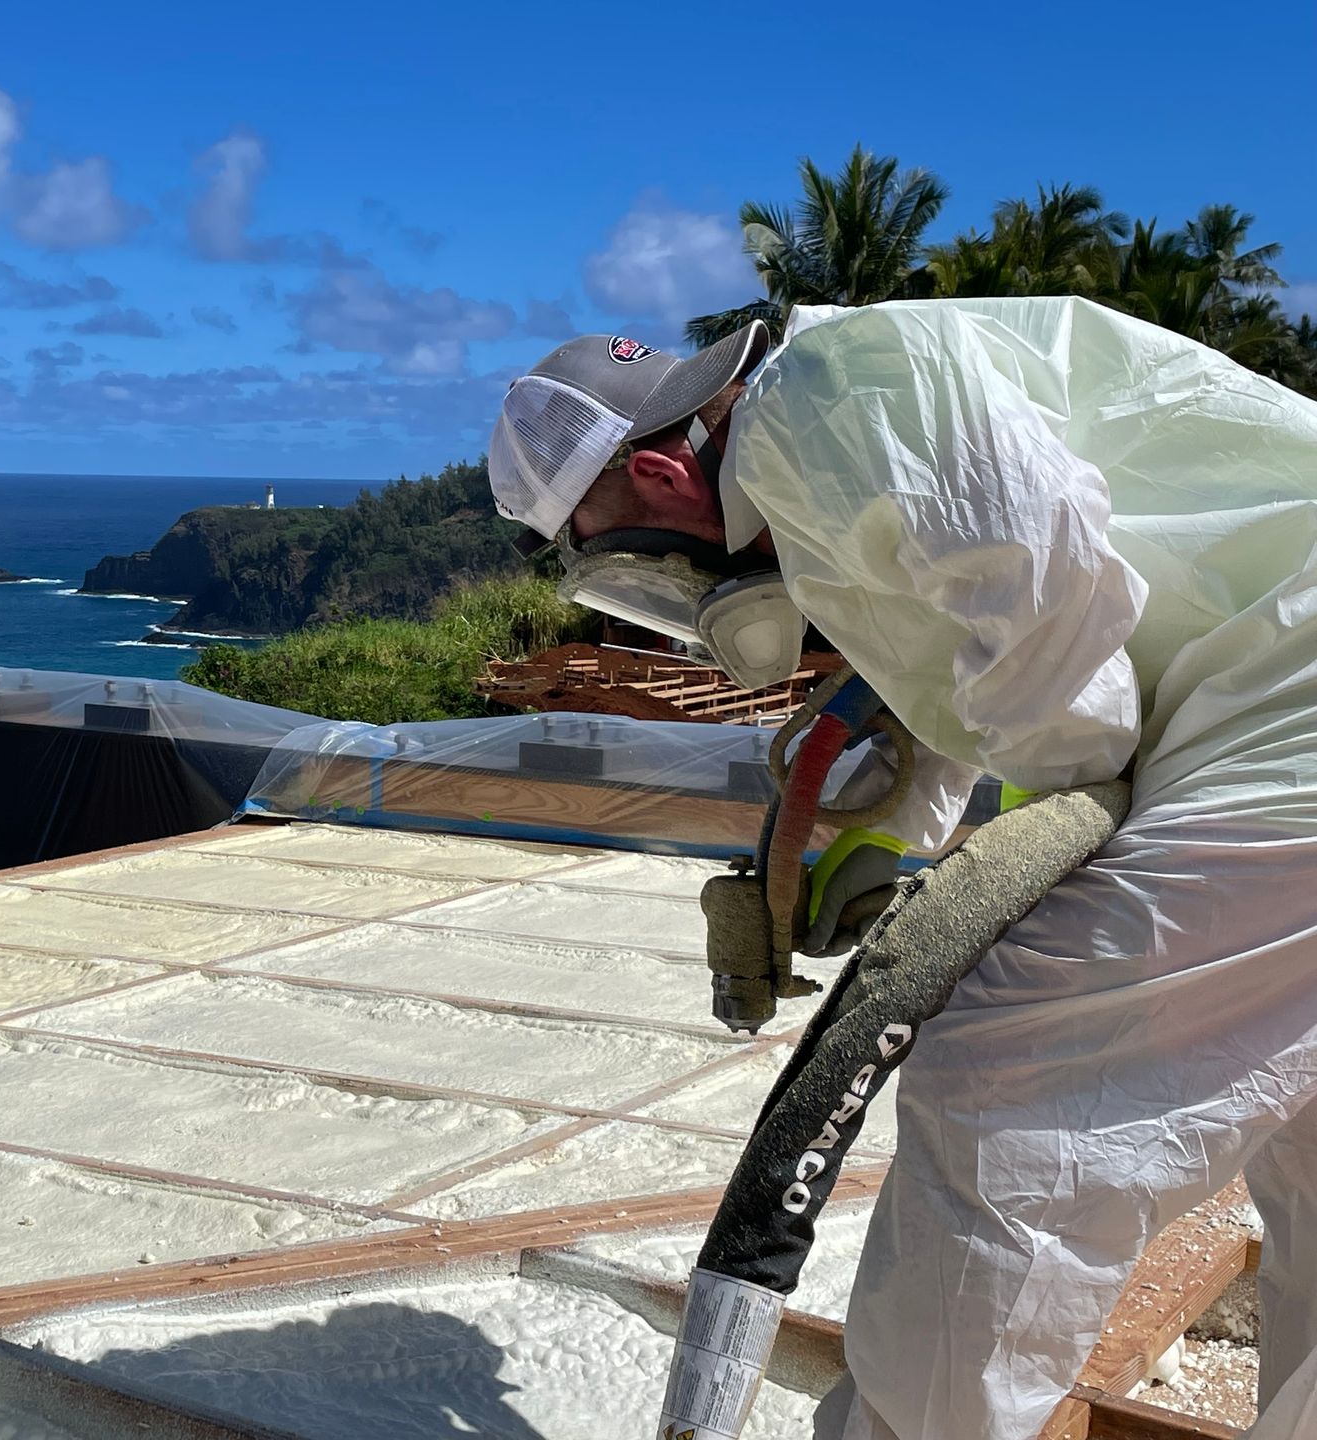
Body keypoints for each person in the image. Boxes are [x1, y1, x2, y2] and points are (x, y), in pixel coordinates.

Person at [488, 297, 1317, 1440]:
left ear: (662, 479)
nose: (657, 591)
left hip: (1289, 714)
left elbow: (1065, 666)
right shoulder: (828, 429)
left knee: (1010, 1083)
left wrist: (1001, 880)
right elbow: (970, 649)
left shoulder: (823, 398)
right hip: (1271, 693)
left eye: (618, 554)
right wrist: (897, 831)